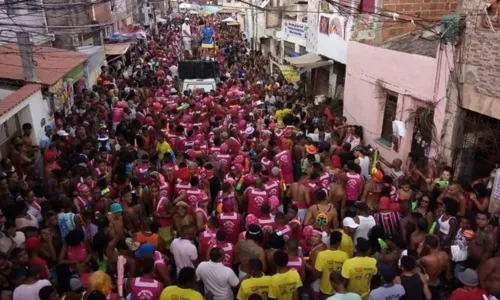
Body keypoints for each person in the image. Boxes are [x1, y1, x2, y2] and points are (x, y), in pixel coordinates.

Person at [314, 231, 349, 297]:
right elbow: (345, 275)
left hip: (325, 290)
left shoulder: (321, 255)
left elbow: (317, 274)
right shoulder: (345, 255)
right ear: (339, 242)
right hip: (339, 290)